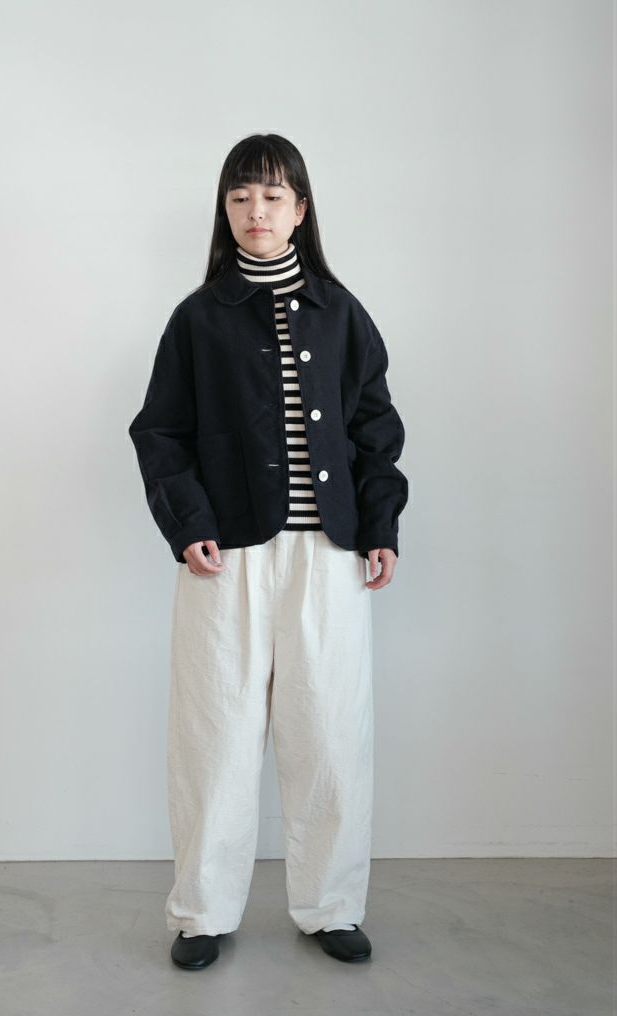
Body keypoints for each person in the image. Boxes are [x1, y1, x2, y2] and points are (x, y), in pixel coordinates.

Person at [128, 133, 408, 970]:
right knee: (215, 732)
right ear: (225, 210)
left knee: (330, 731)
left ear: (300, 210)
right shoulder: (199, 318)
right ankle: (203, 912)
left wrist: (381, 526)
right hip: (228, 555)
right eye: (241, 196)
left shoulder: (341, 312)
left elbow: (375, 429)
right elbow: (160, 431)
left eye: (273, 196)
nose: (257, 210)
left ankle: (332, 906)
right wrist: (188, 523)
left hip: (328, 552)